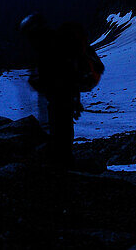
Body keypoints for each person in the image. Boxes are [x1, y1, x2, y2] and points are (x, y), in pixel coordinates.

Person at [20, 13, 86, 167]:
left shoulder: (47, 46)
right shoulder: (54, 42)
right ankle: (64, 160)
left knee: (59, 127)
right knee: (63, 127)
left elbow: (53, 74)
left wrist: (40, 83)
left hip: (58, 96)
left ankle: (62, 163)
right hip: (63, 95)